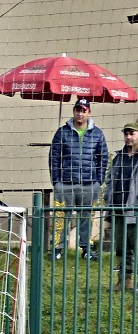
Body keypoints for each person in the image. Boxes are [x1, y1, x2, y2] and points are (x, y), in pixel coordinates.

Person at [49, 98, 108, 261]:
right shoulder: (62, 132)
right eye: (77, 110)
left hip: (89, 184)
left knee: (86, 216)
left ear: (89, 112)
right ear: (73, 111)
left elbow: (102, 158)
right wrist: (56, 181)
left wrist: (99, 181)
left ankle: (86, 248)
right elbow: (54, 157)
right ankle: (57, 248)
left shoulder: (97, 133)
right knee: (60, 216)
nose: (80, 113)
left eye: (83, 110)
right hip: (65, 183)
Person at [105, 121, 138, 291]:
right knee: (122, 248)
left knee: (136, 247)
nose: (128, 137)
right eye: (126, 134)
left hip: (135, 211)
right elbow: (110, 179)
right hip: (118, 209)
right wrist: (107, 198)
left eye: (132, 133)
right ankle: (124, 280)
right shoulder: (119, 157)